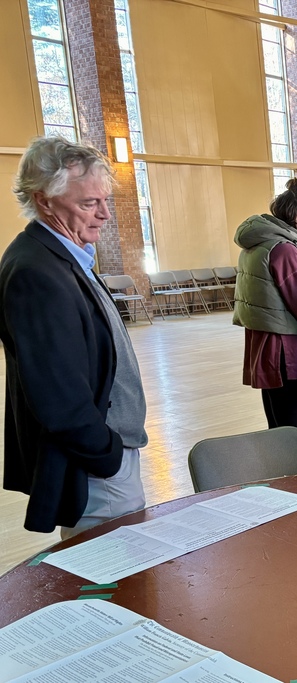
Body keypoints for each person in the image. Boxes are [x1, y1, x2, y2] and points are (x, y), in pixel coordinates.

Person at [1, 136, 147, 536]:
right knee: (119, 576)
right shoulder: (36, 272)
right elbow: (58, 395)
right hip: (95, 471)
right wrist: (108, 455)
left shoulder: (65, 254)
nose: (104, 215)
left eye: (105, 201)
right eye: (89, 204)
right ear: (44, 200)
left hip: (105, 458)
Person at [234, 179, 297, 470]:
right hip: (288, 353)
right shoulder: (284, 249)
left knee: (279, 427)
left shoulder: (257, 242)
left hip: (266, 348)